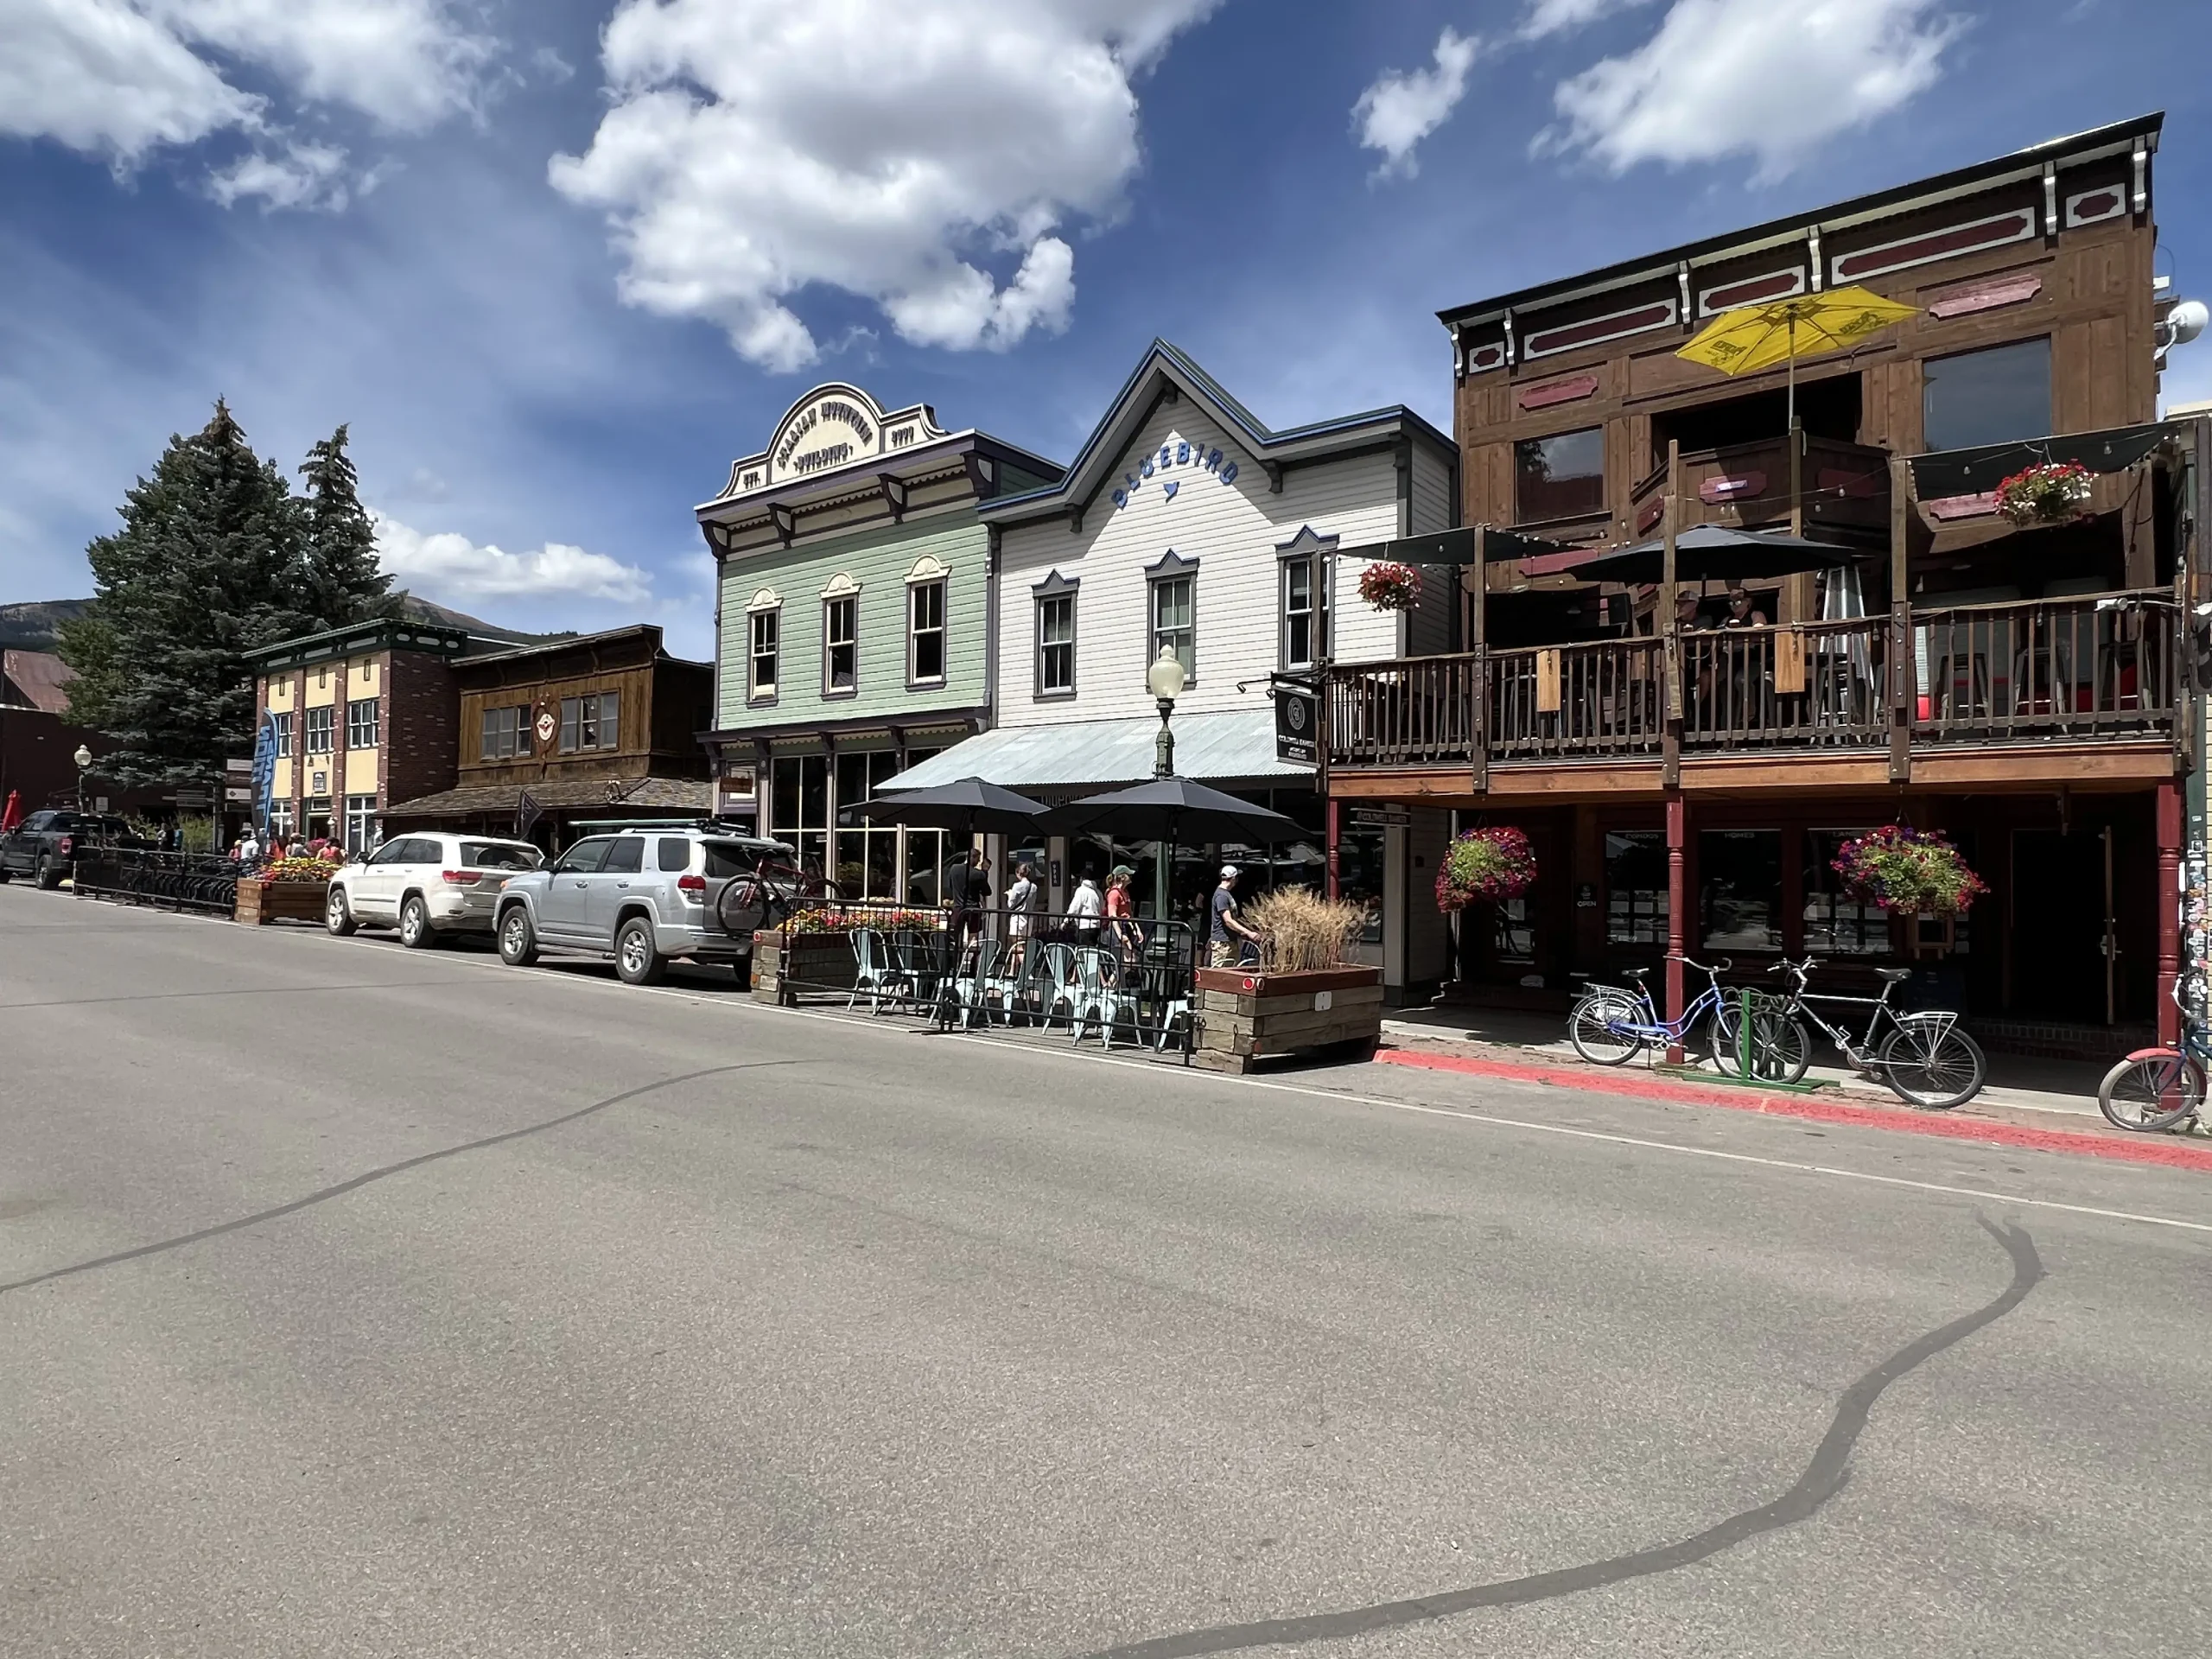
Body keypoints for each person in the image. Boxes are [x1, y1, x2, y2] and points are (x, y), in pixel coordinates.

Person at [1210, 865, 1263, 969]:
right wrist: (1248, 932)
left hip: (1229, 941)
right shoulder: (1222, 896)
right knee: (1220, 975)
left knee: (1232, 974)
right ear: (1233, 878)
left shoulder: (1225, 894)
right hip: (1223, 944)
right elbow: (1228, 921)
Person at [1103, 864, 1144, 962]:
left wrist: (1137, 929)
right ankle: (1113, 977)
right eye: (1128, 874)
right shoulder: (1114, 893)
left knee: (1129, 961)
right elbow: (1112, 916)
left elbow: (1129, 914)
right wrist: (1120, 935)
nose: (1130, 877)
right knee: (1129, 961)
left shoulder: (1125, 892)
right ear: (1122, 877)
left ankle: (1115, 977)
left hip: (1126, 925)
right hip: (1118, 927)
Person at [1004, 861, 1039, 971]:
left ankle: (1026, 972)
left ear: (1018, 873)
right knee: (1019, 945)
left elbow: (1011, 905)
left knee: (1018, 946)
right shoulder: (1034, 887)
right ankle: (1012, 970)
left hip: (1018, 918)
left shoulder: (1017, 886)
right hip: (1029, 918)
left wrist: (1009, 895)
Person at [1067, 869, 1103, 942]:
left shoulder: (1081, 890)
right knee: (1092, 950)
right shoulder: (1098, 892)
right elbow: (1101, 907)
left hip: (1084, 925)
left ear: (1082, 879)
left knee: (1083, 950)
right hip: (1096, 926)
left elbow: (1074, 907)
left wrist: (1066, 921)